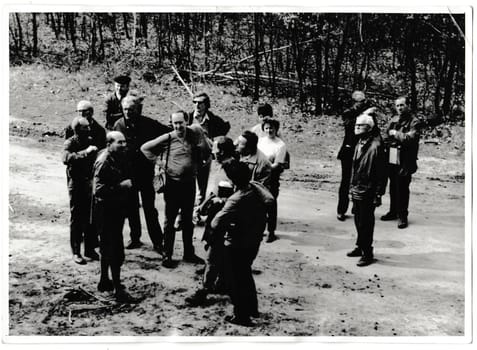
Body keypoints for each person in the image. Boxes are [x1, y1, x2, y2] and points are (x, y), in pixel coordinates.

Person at [141, 111, 211, 268]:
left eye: (181, 122)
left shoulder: (193, 136)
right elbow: (145, 148)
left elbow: (207, 151)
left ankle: (188, 253)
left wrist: (199, 134)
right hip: (173, 185)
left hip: (189, 184)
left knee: (187, 220)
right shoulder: (168, 138)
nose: (179, 126)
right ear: (171, 123)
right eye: (175, 123)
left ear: (186, 121)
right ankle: (167, 254)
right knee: (170, 220)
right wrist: (160, 163)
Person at [210, 160, 274, 326]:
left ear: (232, 180)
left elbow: (215, 223)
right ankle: (252, 308)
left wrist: (223, 206)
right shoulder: (255, 188)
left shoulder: (236, 199)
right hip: (253, 240)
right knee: (245, 276)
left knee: (235, 280)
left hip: (237, 244)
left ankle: (241, 315)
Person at [113, 95, 171, 253]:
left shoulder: (149, 123)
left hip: (145, 173)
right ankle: (135, 237)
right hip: (127, 174)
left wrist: (159, 156)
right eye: (125, 109)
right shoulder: (118, 125)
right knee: (131, 207)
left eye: (131, 109)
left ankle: (158, 242)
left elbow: (168, 134)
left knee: (149, 208)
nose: (127, 112)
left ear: (138, 109)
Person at [185, 137, 237, 306]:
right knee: (218, 251)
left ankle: (204, 290)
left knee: (213, 254)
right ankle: (221, 283)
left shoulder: (231, 169)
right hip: (217, 216)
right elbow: (215, 193)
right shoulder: (222, 167)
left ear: (221, 151)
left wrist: (216, 203)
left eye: (214, 148)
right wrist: (201, 206)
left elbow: (231, 196)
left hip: (224, 219)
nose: (212, 151)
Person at [92, 131, 135, 302]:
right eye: (120, 142)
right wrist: (121, 186)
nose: (124, 145)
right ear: (109, 144)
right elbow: (98, 190)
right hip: (106, 211)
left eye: (124, 142)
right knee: (115, 250)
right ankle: (118, 289)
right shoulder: (104, 162)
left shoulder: (116, 157)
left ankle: (104, 281)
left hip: (113, 209)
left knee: (106, 247)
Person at [346, 114, 386, 267]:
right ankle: (360, 246)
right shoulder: (360, 142)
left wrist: (378, 193)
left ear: (368, 128)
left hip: (368, 189)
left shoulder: (376, 146)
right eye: (356, 125)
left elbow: (382, 172)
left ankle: (367, 253)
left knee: (366, 222)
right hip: (357, 186)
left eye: (360, 125)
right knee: (357, 218)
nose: (356, 127)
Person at [63, 116, 101, 265]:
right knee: (77, 217)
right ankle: (76, 251)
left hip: (88, 183)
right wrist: (85, 152)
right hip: (76, 184)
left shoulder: (90, 140)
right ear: (77, 129)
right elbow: (66, 158)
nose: (89, 129)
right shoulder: (70, 142)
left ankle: (89, 249)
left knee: (90, 217)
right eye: (85, 127)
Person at [188, 92, 231, 223]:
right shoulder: (189, 117)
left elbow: (224, 129)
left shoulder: (213, 120)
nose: (197, 105)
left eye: (200, 103)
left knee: (202, 187)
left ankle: (196, 213)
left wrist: (213, 143)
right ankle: (183, 213)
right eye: (195, 102)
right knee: (188, 185)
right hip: (189, 156)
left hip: (205, 157)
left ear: (206, 105)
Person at [381, 96, 421, 229]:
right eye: (397, 106)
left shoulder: (414, 121)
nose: (399, 108)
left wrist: (396, 133)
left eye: (402, 105)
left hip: (406, 159)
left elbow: (410, 138)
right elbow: (386, 135)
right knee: (393, 185)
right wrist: (392, 138)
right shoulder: (394, 119)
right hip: (393, 156)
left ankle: (403, 215)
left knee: (403, 187)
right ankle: (393, 211)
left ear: (408, 106)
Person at [336, 90, 372, 222]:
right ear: (353, 102)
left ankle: (356, 207)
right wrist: (364, 114)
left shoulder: (368, 113)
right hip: (348, 150)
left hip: (363, 150)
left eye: (363, 102)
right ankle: (341, 209)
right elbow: (352, 126)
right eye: (358, 102)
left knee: (360, 180)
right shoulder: (348, 113)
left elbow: (372, 129)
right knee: (346, 181)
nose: (361, 104)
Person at [257, 118, 287, 243]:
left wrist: (265, 167)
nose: (269, 130)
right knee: (258, 205)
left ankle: (271, 232)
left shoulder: (280, 145)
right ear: (263, 129)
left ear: (276, 129)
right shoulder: (260, 141)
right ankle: (259, 230)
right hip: (258, 176)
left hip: (272, 178)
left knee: (271, 204)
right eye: (267, 128)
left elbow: (277, 164)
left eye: (272, 128)